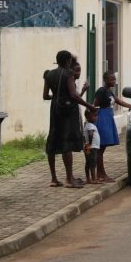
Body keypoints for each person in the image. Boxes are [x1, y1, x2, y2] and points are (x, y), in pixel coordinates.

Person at [43, 50, 96, 189]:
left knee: (53, 139)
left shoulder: (49, 74)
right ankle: (68, 179)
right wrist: (89, 105)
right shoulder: (68, 73)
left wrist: (57, 97)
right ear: (67, 61)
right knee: (67, 142)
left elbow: (45, 96)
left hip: (54, 109)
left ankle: (54, 179)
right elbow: (73, 95)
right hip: (67, 111)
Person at [92, 71, 131, 182]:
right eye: (111, 79)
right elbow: (94, 105)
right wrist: (92, 120)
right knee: (100, 148)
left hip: (108, 118)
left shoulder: (109, 91)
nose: (114, 81)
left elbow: (118, 101)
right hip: (102, 119)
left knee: (102, 148)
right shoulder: (101, 91)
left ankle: (99, 174)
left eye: (114, 79)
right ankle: (101, 174)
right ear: (105, 80)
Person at [83, 109, 100, 184]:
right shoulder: (91, 125)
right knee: (93, 162)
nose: (96, 117)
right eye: (94, 116)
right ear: (88, 117)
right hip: (92, 147)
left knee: (88, 162)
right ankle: (93, 179)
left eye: (96, 115)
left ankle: (88, 178)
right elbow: (91, 134)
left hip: (87, 146)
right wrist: (89, 144)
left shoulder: (87, 125)